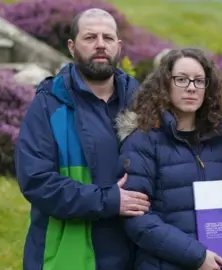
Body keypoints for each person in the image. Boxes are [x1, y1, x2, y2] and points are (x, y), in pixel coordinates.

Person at [14, 8, 149, 270]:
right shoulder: (49, 104)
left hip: (135, 252)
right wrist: (108, 200)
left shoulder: (141, 102)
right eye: (90, 38)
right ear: (72, 46)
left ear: (118, 46)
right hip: (68, 254)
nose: (100, 45)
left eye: (108, 38)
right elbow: (36, 180)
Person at [116, 47, 222, 269]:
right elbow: (138, 220)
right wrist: (197, 257)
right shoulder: (142, 141)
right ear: (165, 84)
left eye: (199, 80)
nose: (191, 87)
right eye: (181, 79)